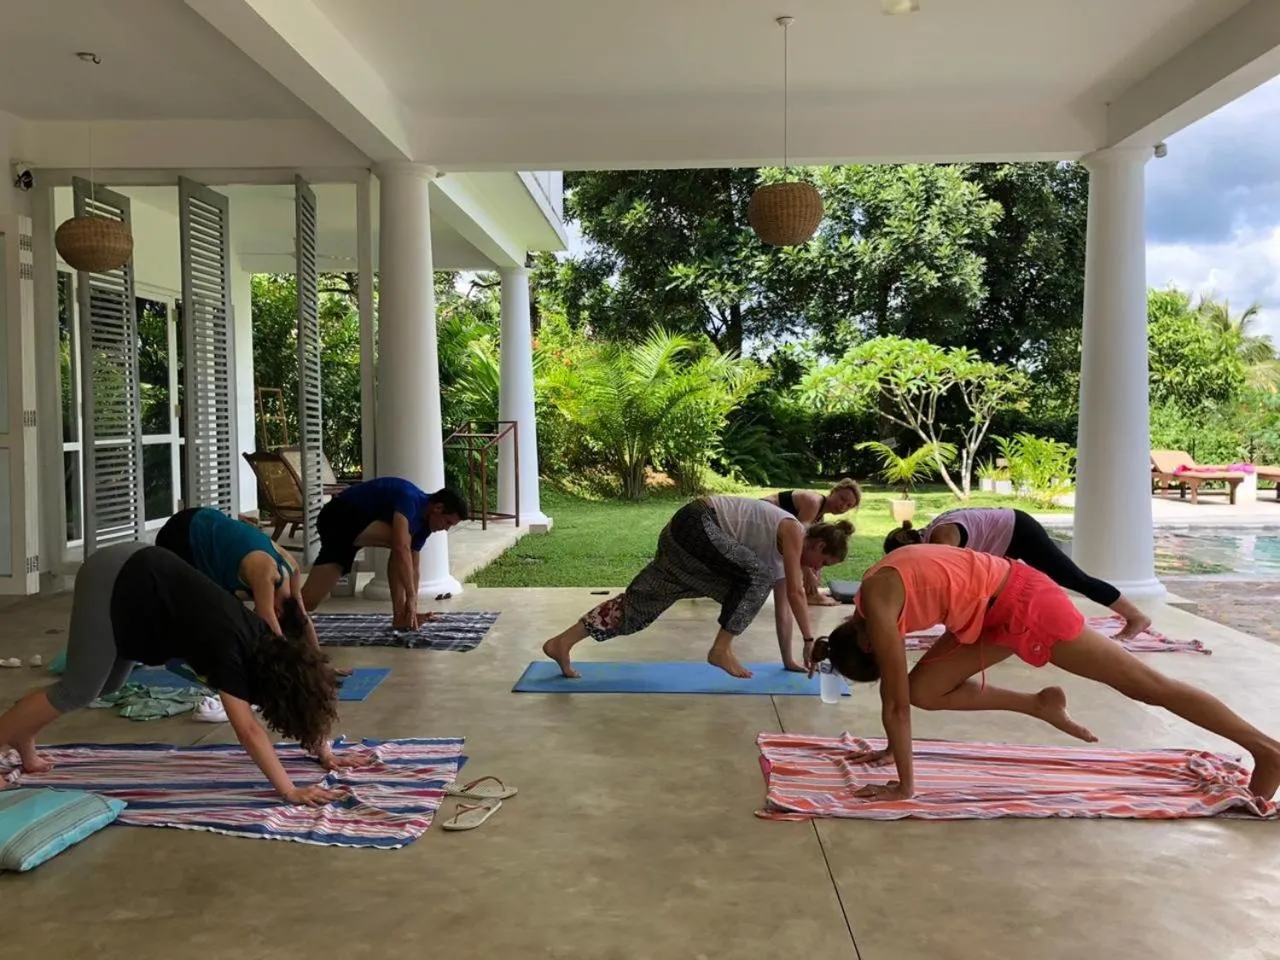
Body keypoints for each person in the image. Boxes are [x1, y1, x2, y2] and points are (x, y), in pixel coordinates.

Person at [809, 543, 1280, 802]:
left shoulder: (876, 604)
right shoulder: (872, 596)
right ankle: (1040, 704)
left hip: (1027, 602)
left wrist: (904, 787)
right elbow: (905, 696)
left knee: (1147, 686)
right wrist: (892, 748)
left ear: (868, 642)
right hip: (988, 611)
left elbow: (893, 702)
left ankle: (1266, 749)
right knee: (924, 689)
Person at [0, 543, 353, 805]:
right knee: (77, 688)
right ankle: (9, 736)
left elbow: (306, 687)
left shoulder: (270, 647)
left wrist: (323, 749)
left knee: (107, 684)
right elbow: (247, 730)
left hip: (142, 588)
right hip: (114, 577)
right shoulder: (230, 655)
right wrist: (289, 790)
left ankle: (23, 738)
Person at [542, 496, 853, 679]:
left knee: (638, 608)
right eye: (821, 563)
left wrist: (789, 660)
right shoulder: (794, 529)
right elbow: (798, 593)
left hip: (685, 549)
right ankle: (720, 650)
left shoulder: (782, 558)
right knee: (755, 580)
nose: (816, 570)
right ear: (820, 544)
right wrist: (811, 638)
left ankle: (561, 643)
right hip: (697, 523)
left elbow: (785, 607)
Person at [883, 507, 1151, 639]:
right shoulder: (930, 537)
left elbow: (954, 583)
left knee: (1072, 578)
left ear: (909, 546)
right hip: (1000, 539)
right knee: (995, 592)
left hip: (1017, 530)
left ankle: (1136, 617)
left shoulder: (941, 538)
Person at [300, 480, 469, 628]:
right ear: (438, 508)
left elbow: (413, 565)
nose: (446, 528)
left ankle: (401, 617)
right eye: (447, 522)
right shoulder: (410, 499)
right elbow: (401, 548)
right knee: (401, 542)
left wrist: (413, 604)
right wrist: (409, 596)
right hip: (337, 517)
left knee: (309, 601)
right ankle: (277, 616)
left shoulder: (424, 526)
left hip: (353, 530)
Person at [763, 479, 862, 607]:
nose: (843, 506)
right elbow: (798, 543)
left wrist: (812, 573)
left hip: (777, 531)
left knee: (817, 558)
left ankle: (812, 593)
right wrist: (808, 573)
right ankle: (810, 594)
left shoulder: (819, 516)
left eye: (849, 505)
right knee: (806, 560)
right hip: (763, 521)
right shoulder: (813, 503)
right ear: (833, 492)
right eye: (842, 499)